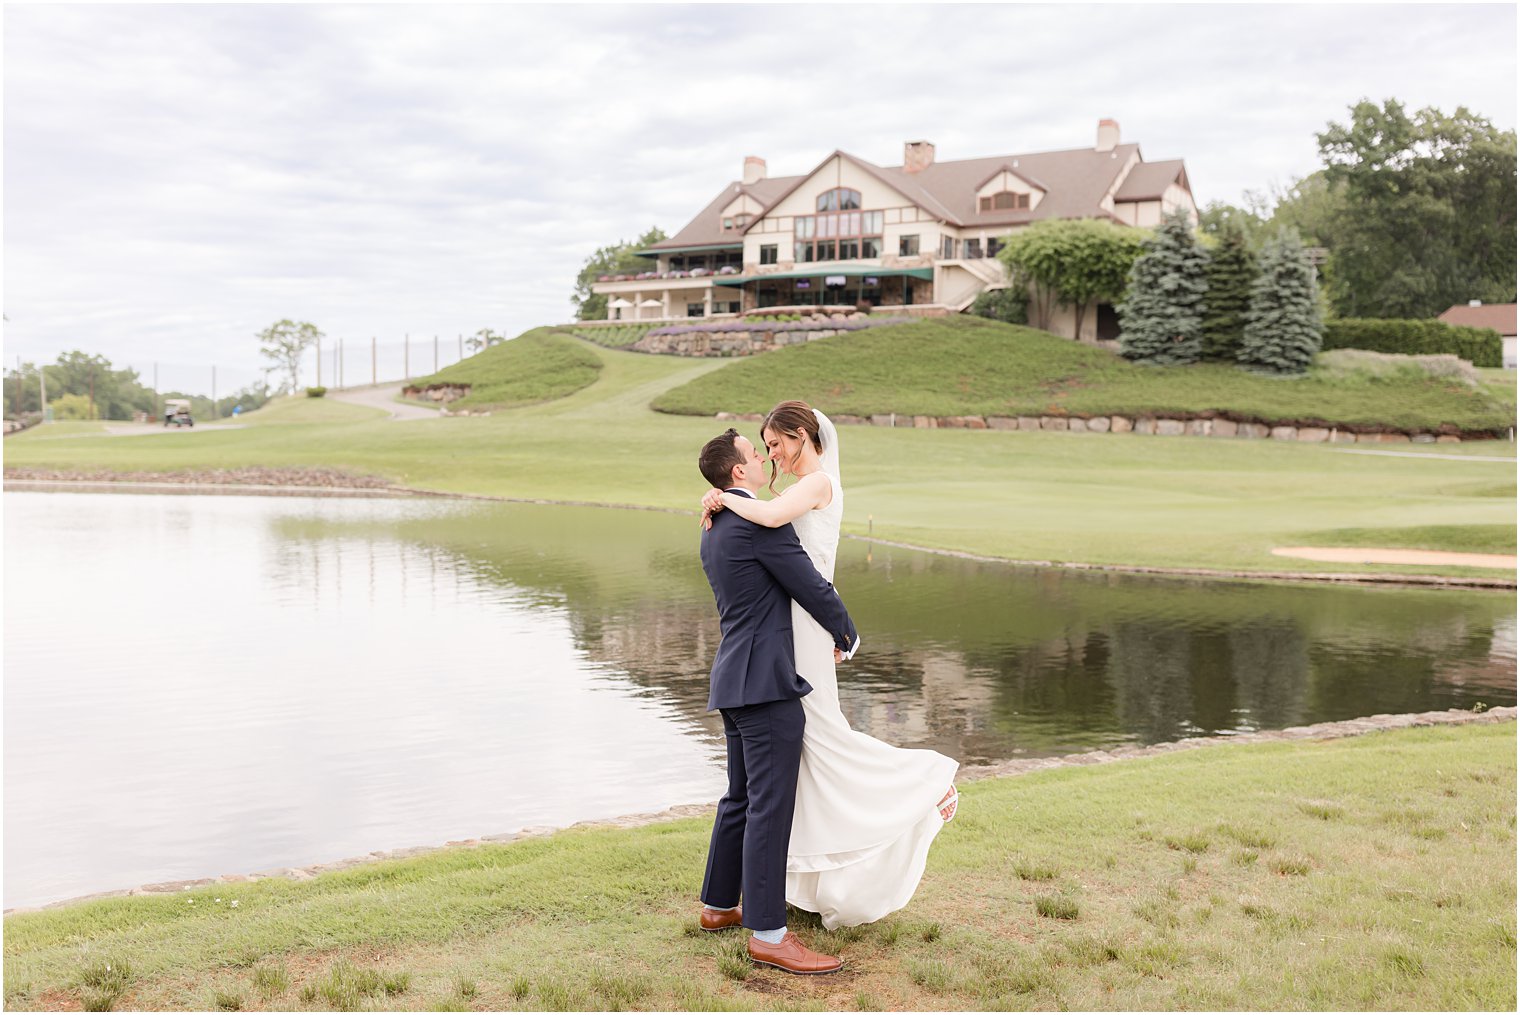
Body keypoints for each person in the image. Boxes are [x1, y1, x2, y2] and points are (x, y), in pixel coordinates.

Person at [701, 400, 960, 931]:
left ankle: (923, 786)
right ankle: (795, 883)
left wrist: (723, 495)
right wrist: (726, 494)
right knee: (802, 755)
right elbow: (772, 530)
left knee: (817, 742)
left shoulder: (813, 487)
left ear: (802, 436)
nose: (771, 454)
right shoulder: (767, 501)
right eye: (763, 449)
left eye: (776, 444)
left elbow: (775, 526)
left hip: (795, 636)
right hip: (781, 639)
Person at [694, 428, 860, 975]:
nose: (765, 457)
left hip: (734, 678)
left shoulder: (716, 523)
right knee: (770, 806)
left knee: (740, 796)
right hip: (767, 684)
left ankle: (719, 906)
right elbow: (809, 584)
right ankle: (767, 933)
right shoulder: (757, 523)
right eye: (754, 452)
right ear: (738, 471)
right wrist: (847, 634)